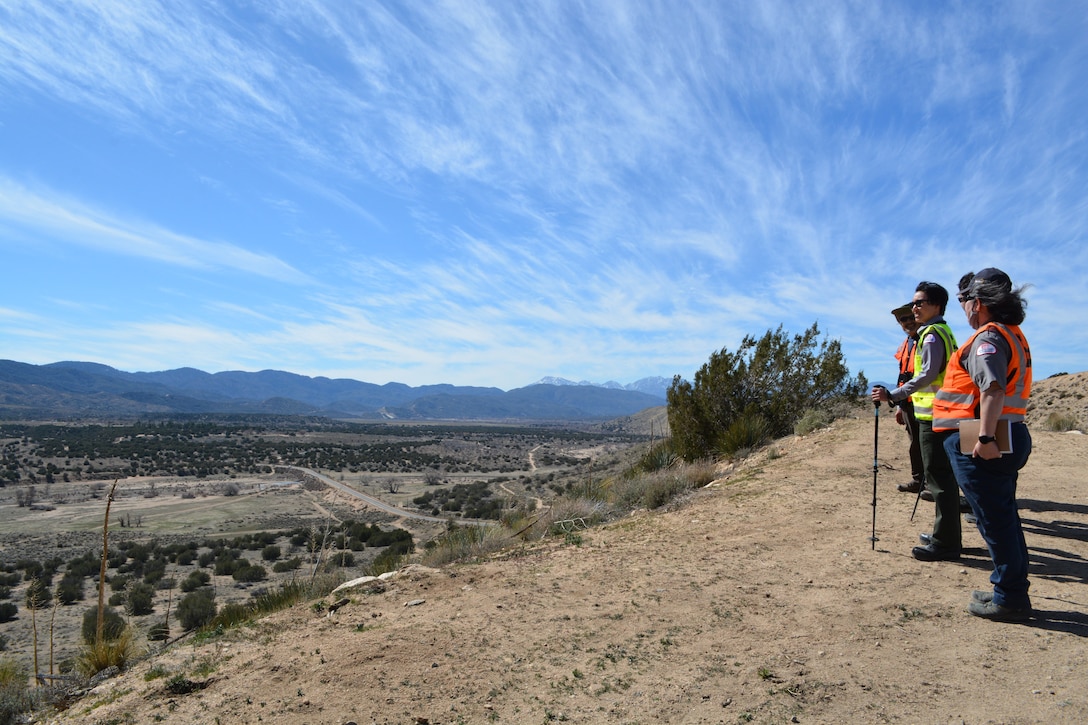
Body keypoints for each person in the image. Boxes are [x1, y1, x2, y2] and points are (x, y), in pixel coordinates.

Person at [933, 268, 1033, 621]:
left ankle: (1010, 598)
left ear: (978, 304)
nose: (964, 307)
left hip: (986, 437)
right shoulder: (1011, 334)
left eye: (964, 300)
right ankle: (1010, 589)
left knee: (994, 520)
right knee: (1003, 516)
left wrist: (986, 438)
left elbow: (992, 388)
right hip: (1007, 432)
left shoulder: (987, 339)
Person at [872, 282, 960, 561]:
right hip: (940, 413)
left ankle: (945, 542)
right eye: (914, 303)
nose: (914, 308)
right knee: (940, 477)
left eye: (919, 303)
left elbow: (925, 375)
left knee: (938, 479)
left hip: (934, 415)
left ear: (936, 305)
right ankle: (944, 534)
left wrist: (894, 396)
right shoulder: (940, 332)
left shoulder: (932, 335)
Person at [890, 303, 925, 494]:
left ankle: (931, 484)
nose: (909, 322)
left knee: (927, 445)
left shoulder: (927, 339)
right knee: (915, 444)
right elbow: (903, 376)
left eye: (911, 317)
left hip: (927, 403)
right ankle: (919, 480)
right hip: (910, 402)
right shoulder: (906, 344)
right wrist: (899, 406)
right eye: (904, 320)